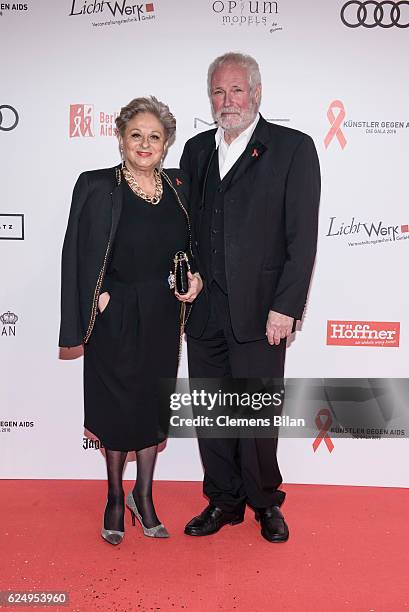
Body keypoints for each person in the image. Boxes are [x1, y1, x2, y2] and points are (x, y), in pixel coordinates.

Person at [179, 52, 320, 542]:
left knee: (257, 411)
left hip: (263, 311)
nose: (227, 100)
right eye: (218, 92)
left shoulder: (292, 149)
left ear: (257, 93)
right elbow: (188, 230)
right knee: (212, 410)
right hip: (204, 310)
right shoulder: (196, 151)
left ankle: (264, 501)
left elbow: (302, 239)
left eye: (236, 90)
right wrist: (189, 277)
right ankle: (223, 500)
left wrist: (286, 305)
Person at [59, 96, 202, 545]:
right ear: (120, 138)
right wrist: (93, 300)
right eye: (136, 134)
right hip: (115, 315)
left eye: (154, 137)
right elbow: (75, 252)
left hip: (161, 316)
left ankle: (145, 495)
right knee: (118, 408)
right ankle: (114, 498)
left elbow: (193, 247)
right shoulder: (97, 185)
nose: (145, 144)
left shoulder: (179, 188)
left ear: (166, 145)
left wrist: (194, 279)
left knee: (152, 406)